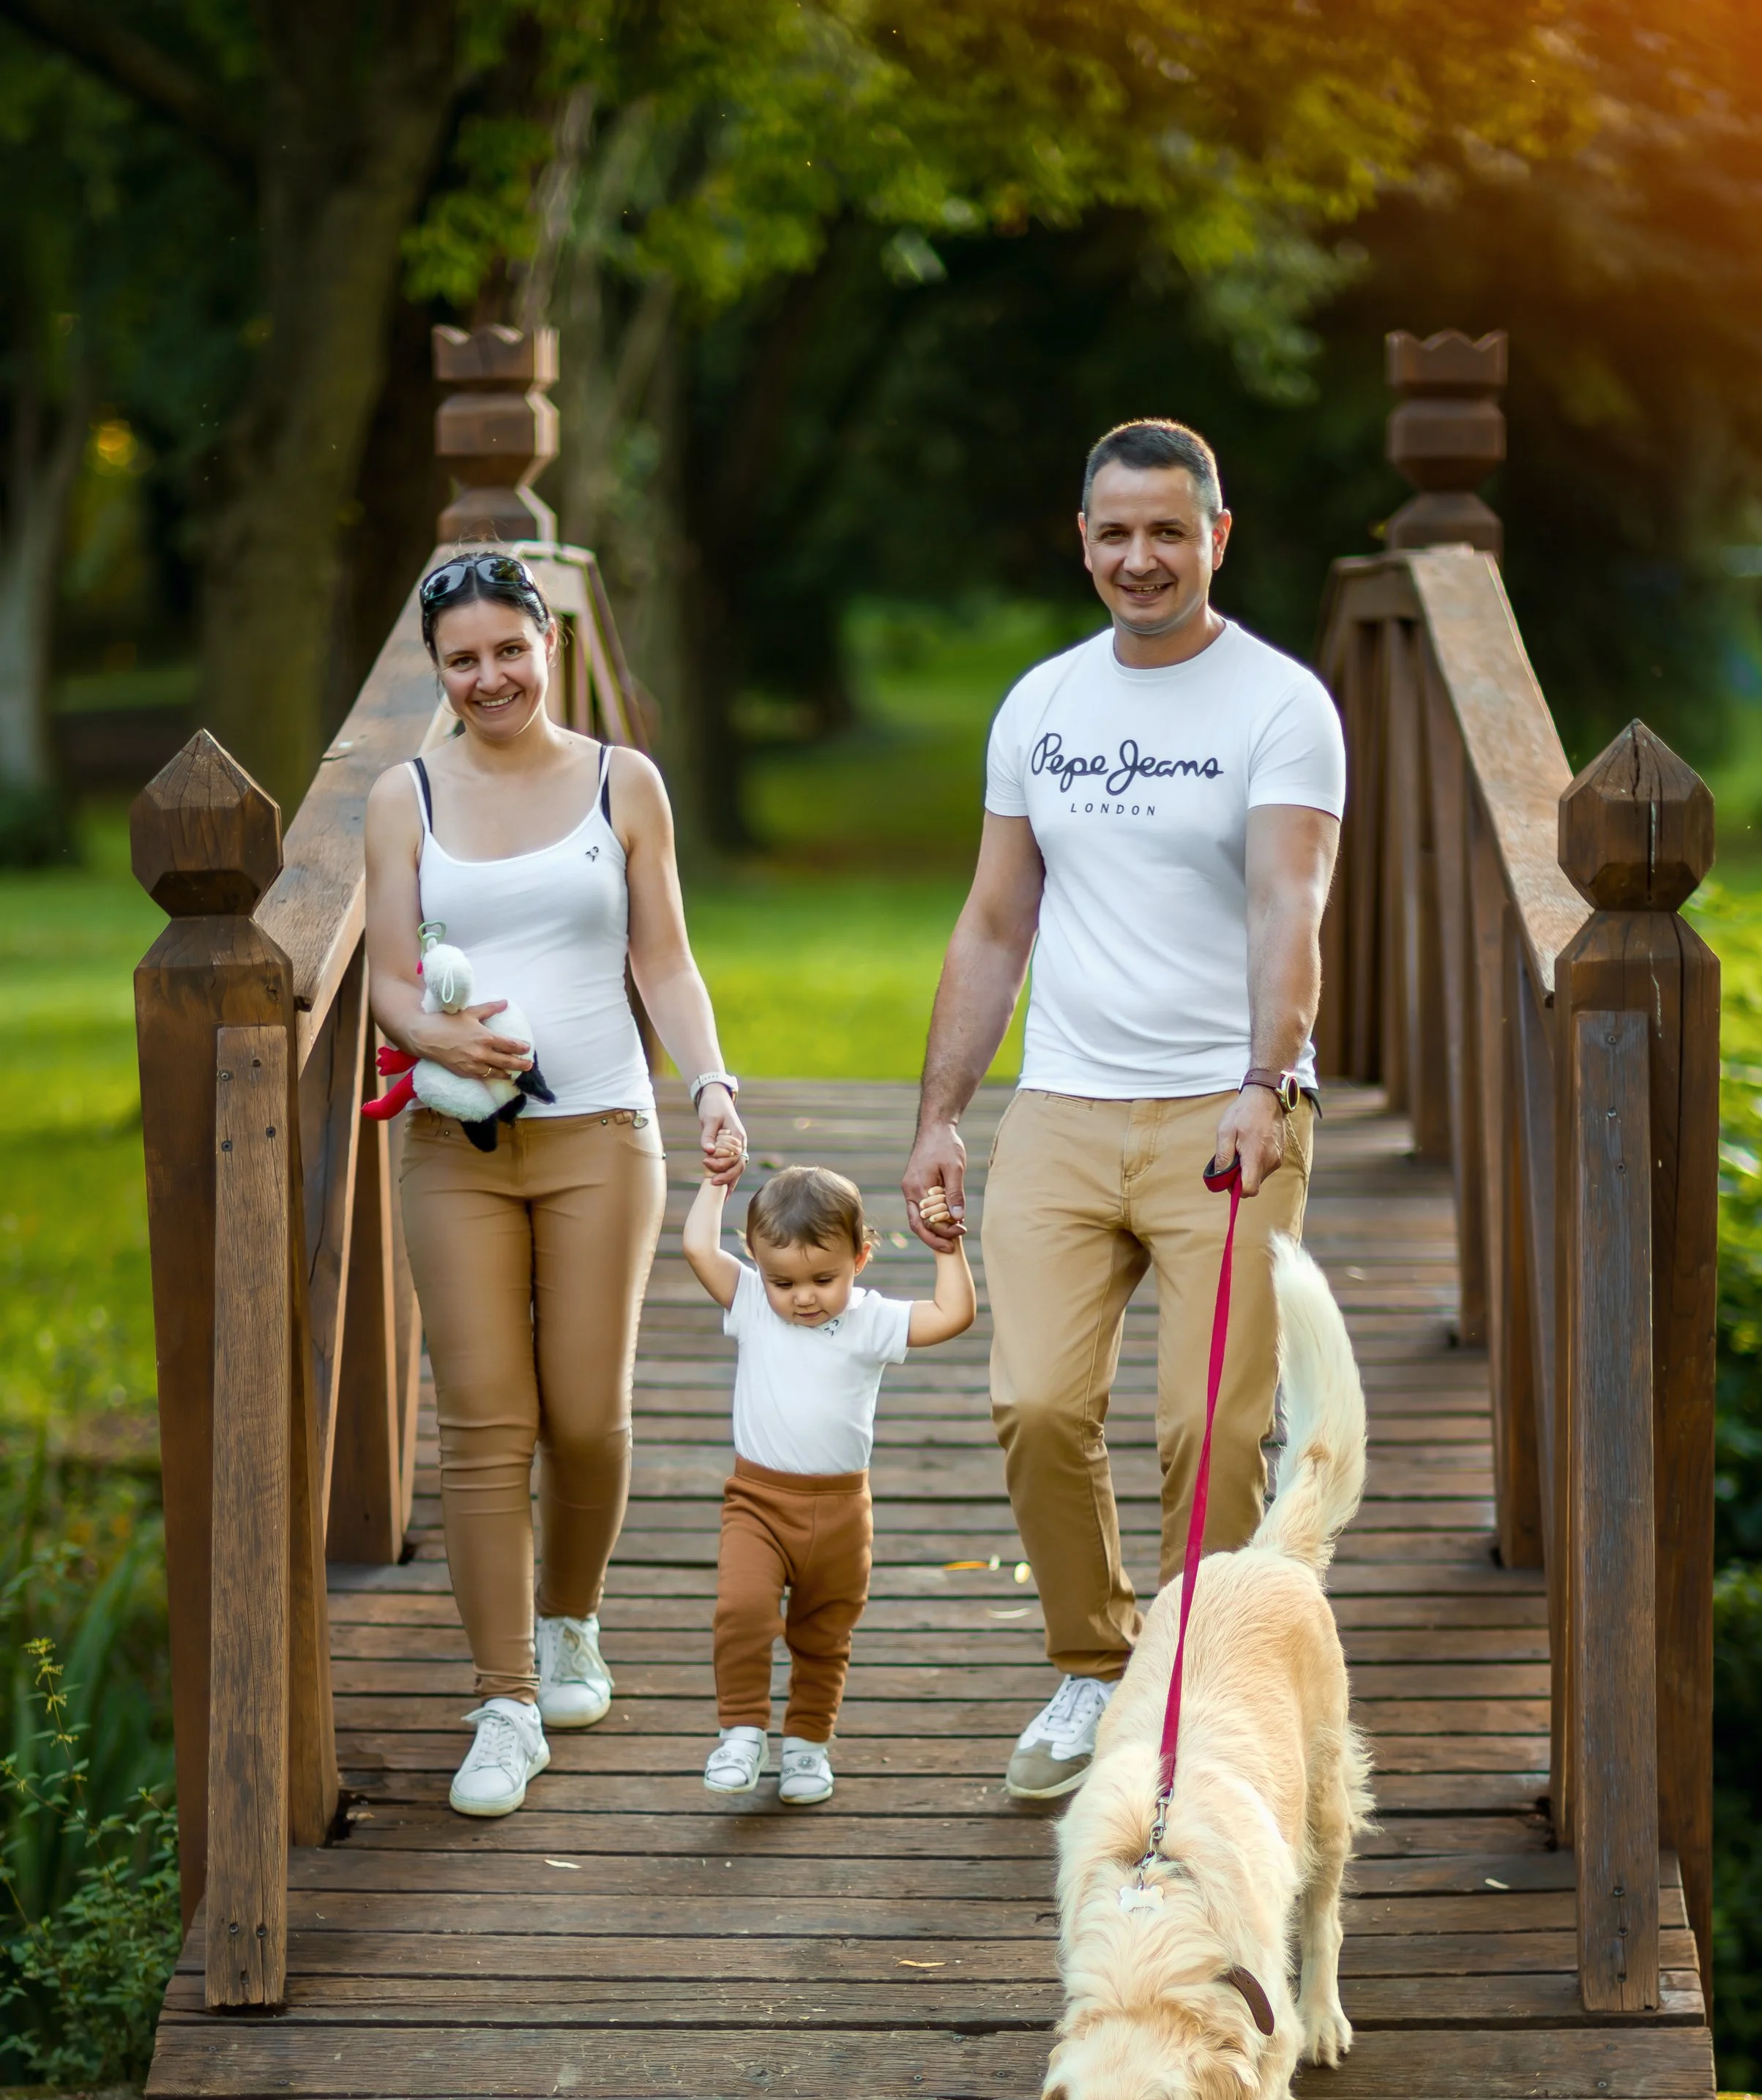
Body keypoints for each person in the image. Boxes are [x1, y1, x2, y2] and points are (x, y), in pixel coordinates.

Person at [900, 419, 1345, 1803]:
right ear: (1080, 539)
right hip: (1068, 1109)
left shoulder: (1281, 704)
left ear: (1218, 535)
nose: (1139, 558)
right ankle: (1096, 1667)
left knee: (1207, 1428)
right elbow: (990, 924)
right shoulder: (1040, 706)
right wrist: (941, 1116)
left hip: (1229, 1113)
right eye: (1114, 533)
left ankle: (1192, 1698)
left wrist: (1266, 1081)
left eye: (1168, 531)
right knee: (1036, 1404)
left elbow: (1290, 903)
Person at [365, 550, 745, 1819]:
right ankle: (506, 1699)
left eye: (508, 651)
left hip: (602, 1135)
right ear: (439, 671)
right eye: (461, 661)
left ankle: (572, 1621)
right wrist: (434, 1037)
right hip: (455, 1150)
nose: (489, 679)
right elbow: (384, 979)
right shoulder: (403, 796)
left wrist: (711, 1085)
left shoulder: (620, 782)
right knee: (483, 1422)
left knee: (585, 1415)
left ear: (549, 644)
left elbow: (668, 961)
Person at [683, 1164, 977, 1805]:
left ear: (861, 1258)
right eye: (783, 1280)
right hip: (757, 1503)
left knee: (824, 1636)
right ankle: (741, 1729)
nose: (803, 1298)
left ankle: (808, 1745)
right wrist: (716, 1182)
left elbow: (953, 1315)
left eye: (825, 1279)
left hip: (842, 1513)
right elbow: (700, 1248)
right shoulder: (753, 1303)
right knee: (741, 1610)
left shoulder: (870, 1321)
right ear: (759, 1266)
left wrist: (947, 1249)